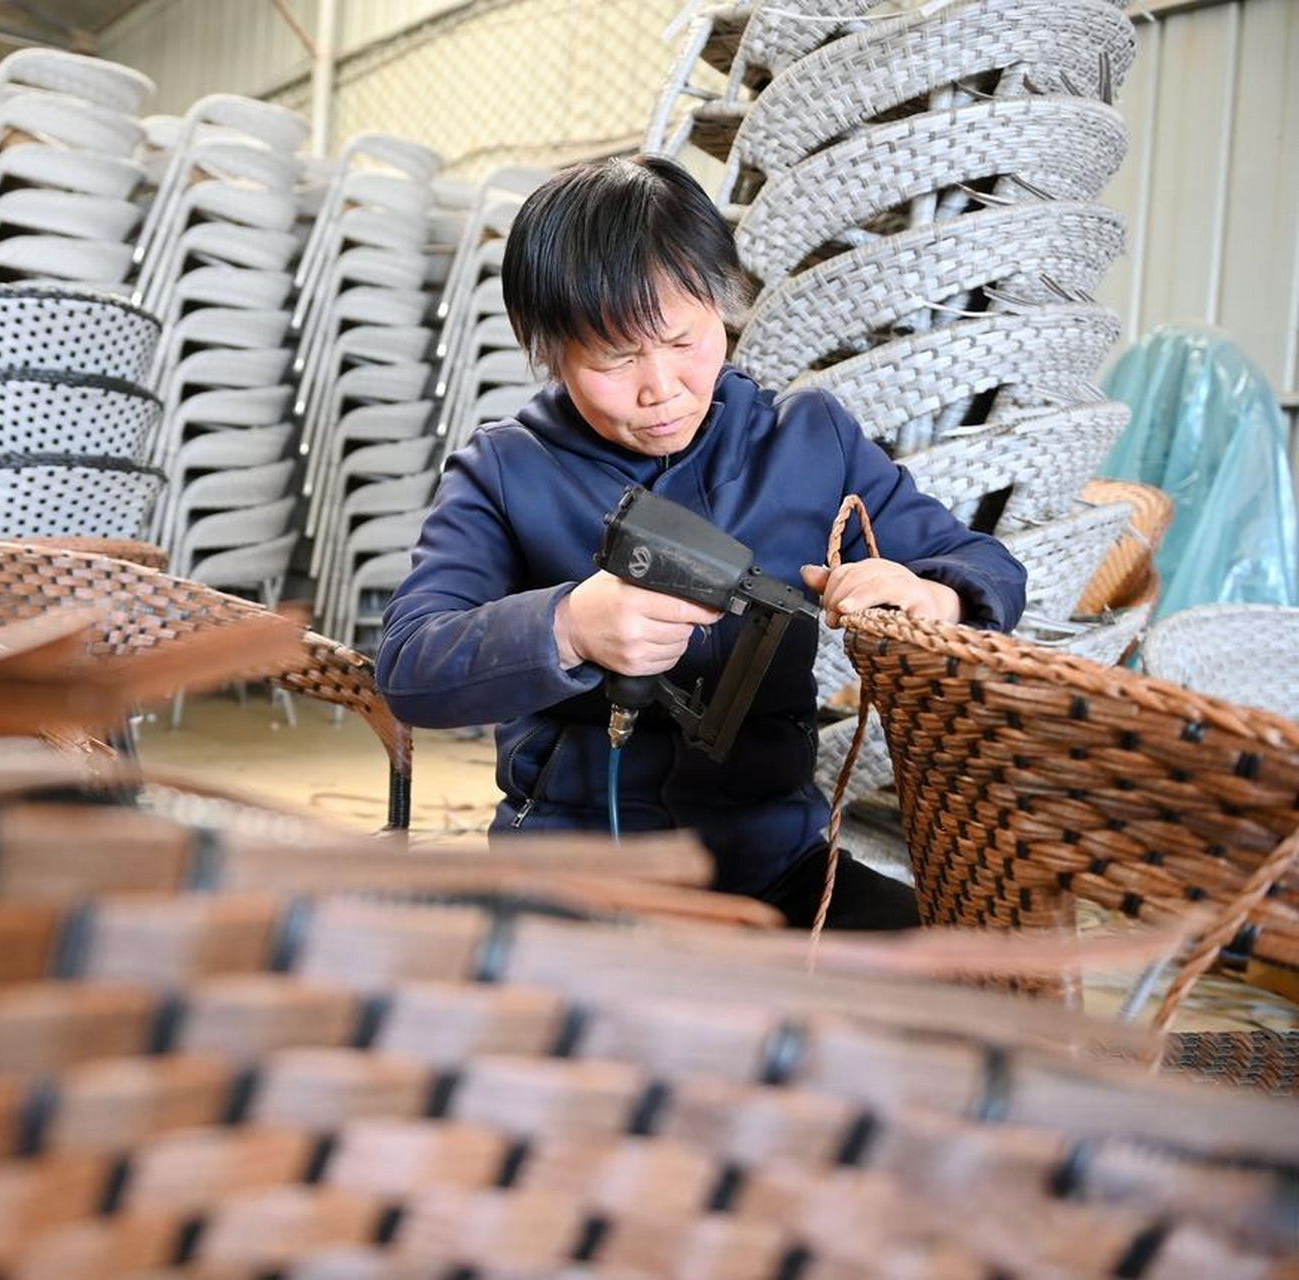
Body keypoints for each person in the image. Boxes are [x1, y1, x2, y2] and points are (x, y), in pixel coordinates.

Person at [374, 155, 1027, 930]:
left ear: (722, 307)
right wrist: (567, 628)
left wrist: (934, 593)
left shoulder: (809, 442)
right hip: (572, 880)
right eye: (615, 358)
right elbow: (410, 667)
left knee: (960, 982)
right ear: (550, 349)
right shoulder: (505, 471)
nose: (660, 387)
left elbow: (986, 567)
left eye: (683, 340)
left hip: (773, 866)